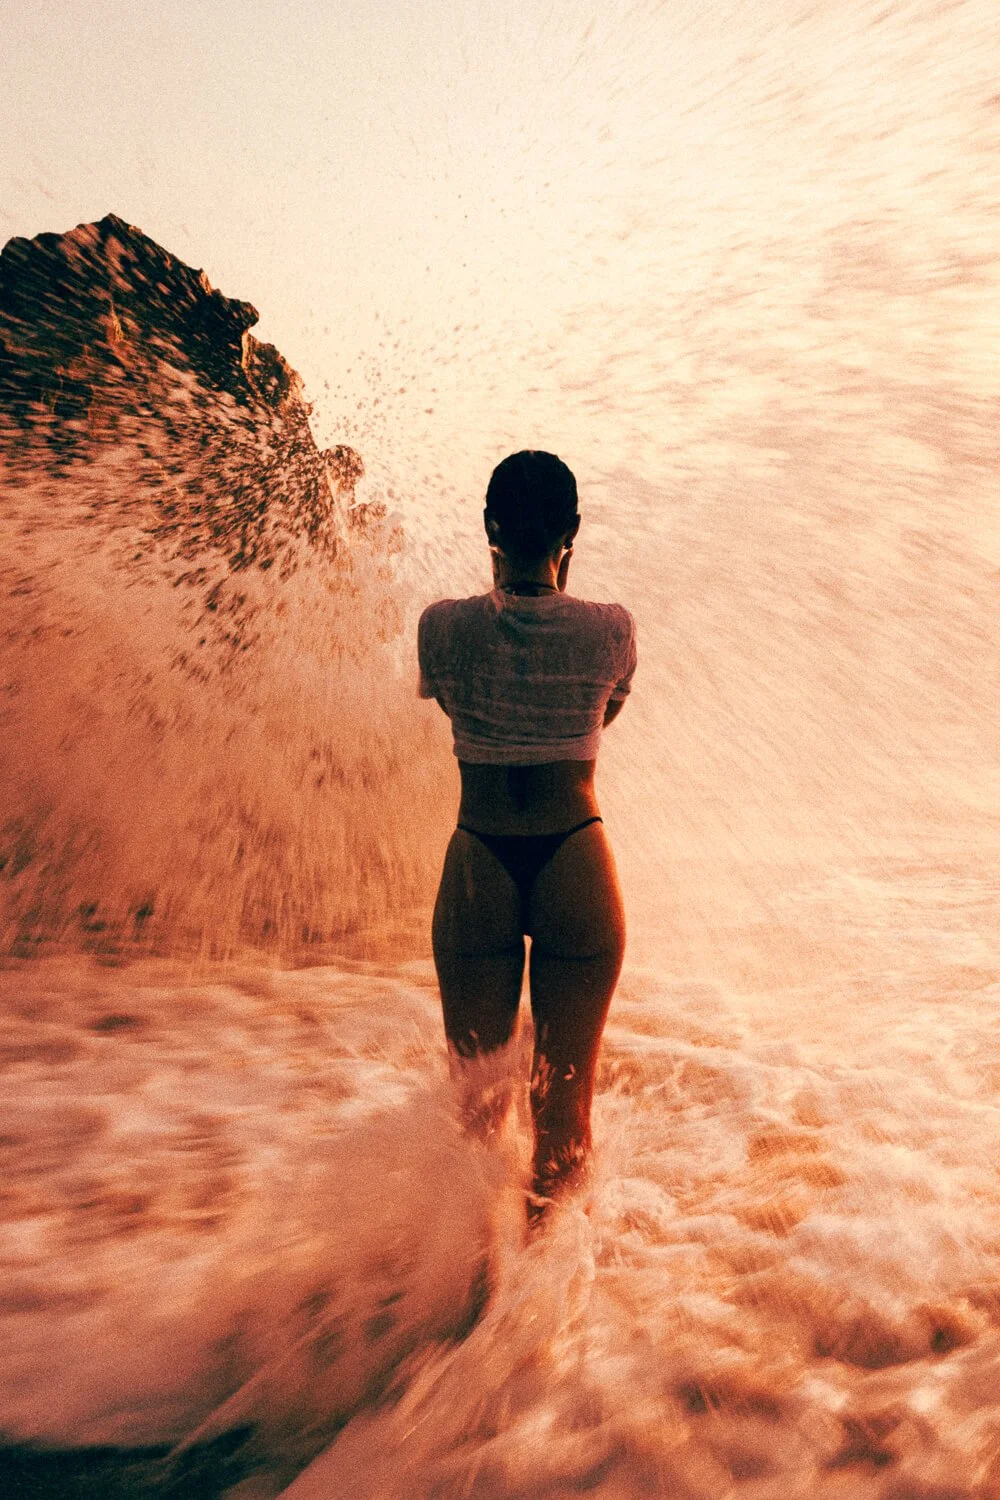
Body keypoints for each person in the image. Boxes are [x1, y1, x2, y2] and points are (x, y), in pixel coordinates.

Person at [418, 450, 636, 1219]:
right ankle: (542, 1320)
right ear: (572, 532)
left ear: (489, 526)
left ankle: (475, 1292)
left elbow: (460, 711)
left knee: (477, 1120)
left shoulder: (443, 628)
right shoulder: (610, 631)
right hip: (574, 853)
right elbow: (598, 718)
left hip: (480, 857)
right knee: (565, 1123)